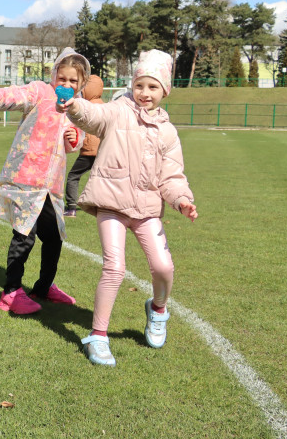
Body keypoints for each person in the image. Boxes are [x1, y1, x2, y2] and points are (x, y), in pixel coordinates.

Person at [62, 50, 197, 366]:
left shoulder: (167, 132)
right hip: (111, 203)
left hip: (147, 208)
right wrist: (75, 105)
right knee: (114, 267)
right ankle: (98, 336)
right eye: (140, 86)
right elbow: (93, 116)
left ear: (164, 90)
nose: (145, 93)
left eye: (153, 87)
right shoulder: (117, 111)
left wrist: (181, 200)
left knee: (163, 267)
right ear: (132, 85)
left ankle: (158, 309)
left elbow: (171, 175)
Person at [0, 48, 88, 315]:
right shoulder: (40, 92)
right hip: (25, 179)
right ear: (53, 75)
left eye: (73, 81)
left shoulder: (77, 108)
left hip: (50, 187)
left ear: (81, 84)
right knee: (24, 237)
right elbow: (10, 96)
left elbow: (76, 142)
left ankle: (43, 287)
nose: (66, 85)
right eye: (62, 78)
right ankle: (10, 292)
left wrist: (73, 139)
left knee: (54, 238)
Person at [64, 74, 104, 217]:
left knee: (73, 176)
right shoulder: (104, 105)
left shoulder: (86, 106)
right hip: (103, 151)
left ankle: (71, 207)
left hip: (89, 150)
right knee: (101, 178)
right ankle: (103, 207)